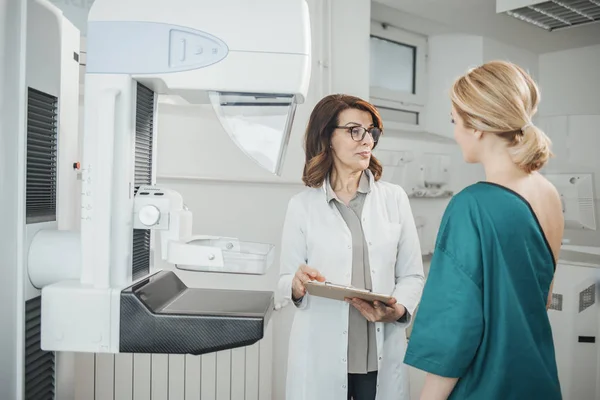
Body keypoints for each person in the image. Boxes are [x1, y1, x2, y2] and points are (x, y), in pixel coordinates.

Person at [404, 60, 564, 400]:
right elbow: (544, 297)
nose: (454, 132)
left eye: (454, 121)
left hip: (485, 388)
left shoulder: (471, 206)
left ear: (476, 126)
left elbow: (453, 331)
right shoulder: (547, 193)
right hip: (537, 380)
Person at [277, 94, 425, 400]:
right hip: (323, 356)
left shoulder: (394, 199)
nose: (366, 140)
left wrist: (398, 309)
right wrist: (296, 284)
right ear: (328, 137)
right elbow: (284, 279)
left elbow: (412, 276)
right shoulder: (302, 206)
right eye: (355, 130)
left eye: (371, 131)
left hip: (380, 354)